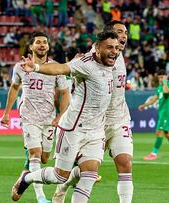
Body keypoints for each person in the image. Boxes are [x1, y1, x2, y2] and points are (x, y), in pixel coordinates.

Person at [11, 31, 120, 203]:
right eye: (110, 47)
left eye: (116, 47)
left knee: (89, 175)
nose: (115, 51)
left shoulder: (111, 64)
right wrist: (37, 68)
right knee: (59, 176)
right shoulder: (85, 64)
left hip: (96, 131)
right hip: (73, 129)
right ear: (97, 48)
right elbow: (61, 68)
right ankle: (27, 178)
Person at [52, 21, 134, 203]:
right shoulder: (93, 57)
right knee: (85, 171)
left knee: (125, 163)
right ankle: (63, 186)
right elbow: (76, 79)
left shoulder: (118, 55)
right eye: (119, 31)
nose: (124, 36)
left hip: (120, 119)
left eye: (125, 32)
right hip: (96, 122)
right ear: (108, 35)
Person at [1, 32, 70, 203]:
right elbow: (14, 88)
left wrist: (60, 116)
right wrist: (7, 112)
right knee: (35, 154)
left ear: (48, 46)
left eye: (45, 42)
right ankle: (41, 198)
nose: (42, 45)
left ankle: (25, 175)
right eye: (38, 42)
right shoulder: (20, 67)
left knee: (45, 158)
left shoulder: (56, 68)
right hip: (29, 116)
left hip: (49, 118)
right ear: (31, 46)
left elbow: (64, 93)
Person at [138, 69, 169, 160]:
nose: (160, 79)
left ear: (166, 77)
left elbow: (166, 91)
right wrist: (144, 105)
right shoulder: (159, 87)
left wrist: (165, 82)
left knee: (159, 132)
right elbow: (154, 99)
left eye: (162, 77)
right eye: (159, 77)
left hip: (166, 113)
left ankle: (153, 154)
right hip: (162, 113)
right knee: (167, 133)